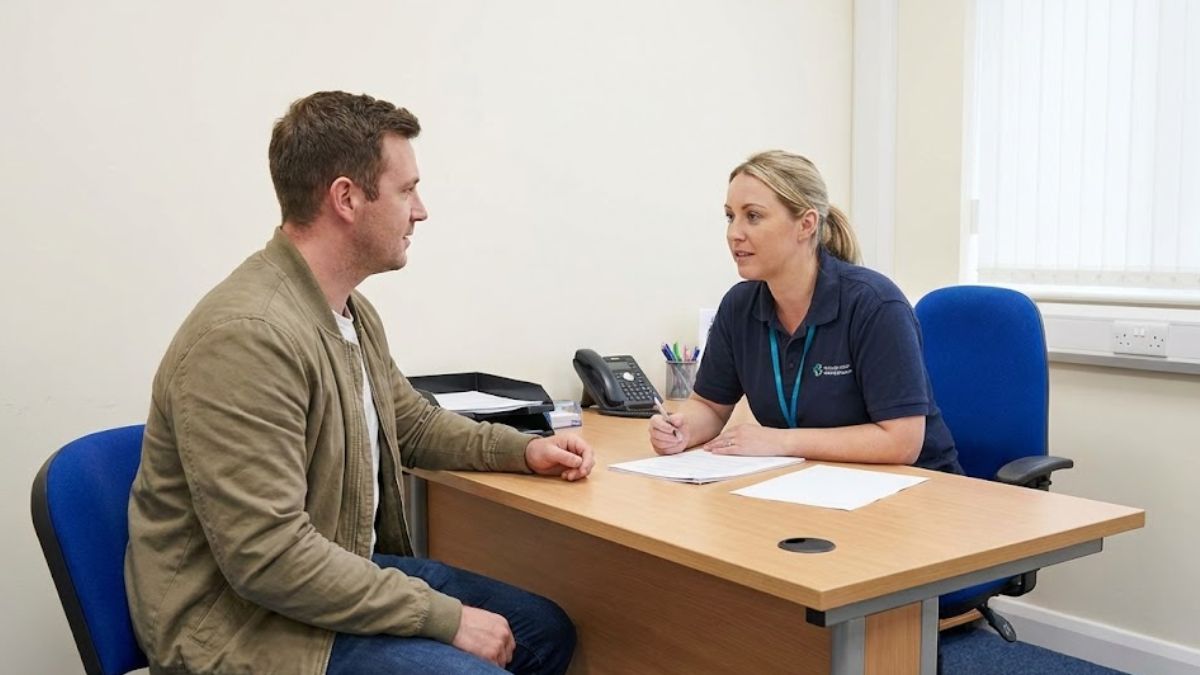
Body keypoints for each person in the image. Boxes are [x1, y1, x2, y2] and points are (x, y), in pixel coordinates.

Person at [125, 91, 594, 675]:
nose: (420, 210)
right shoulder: (247, 336)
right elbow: (268, 558)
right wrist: (446, 618)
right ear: (347, 198)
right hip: (242, 627)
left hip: (323, 576)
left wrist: (525, 450)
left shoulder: (348, 312)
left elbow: (410, 423)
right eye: (406, 190)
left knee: (540, 632)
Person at [649, 150, 961, 474]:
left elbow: (902, 442)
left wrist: (780, 442)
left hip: (918, 490)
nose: (734, 233)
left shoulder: (875, 305)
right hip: (810, 484)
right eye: (730, 216)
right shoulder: (738, 307)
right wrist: (683, 428)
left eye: (753, 216)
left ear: (806, 224)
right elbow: (710, 407)